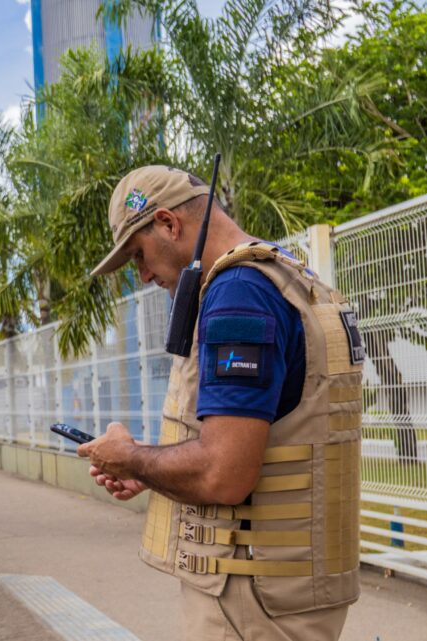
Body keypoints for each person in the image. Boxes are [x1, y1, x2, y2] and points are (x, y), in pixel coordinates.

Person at [78, 165, 364, 640]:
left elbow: (224, 472)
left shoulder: (238, 295)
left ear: (169, 224)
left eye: (138, 255)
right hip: (289, 594)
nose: (144, 274)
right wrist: (145, 470)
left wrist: (129, 458)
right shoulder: (292, 277)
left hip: (249, 603)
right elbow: (268, 442)